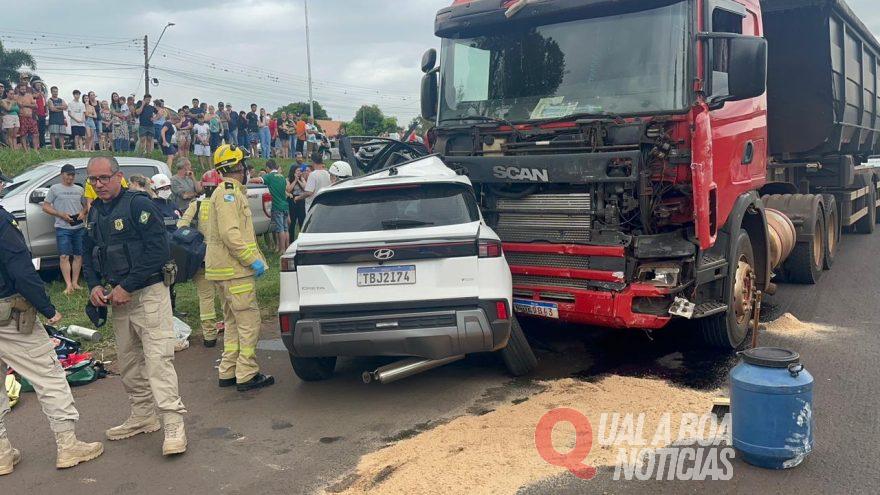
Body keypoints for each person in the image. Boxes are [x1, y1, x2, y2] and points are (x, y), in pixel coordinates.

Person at [0, 168, 104, 474]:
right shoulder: (3, 222)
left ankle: (3, 454)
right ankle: (68, 445)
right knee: (49, 376)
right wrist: (48, 309)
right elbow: (20, 270)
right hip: (9, 314)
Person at [82, 156, 187, 456]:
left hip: (148, 294)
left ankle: (173, 425)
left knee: (158, 361)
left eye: (104, 178)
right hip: (117, 299)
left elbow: (159, 250)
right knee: (128, 362)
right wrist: (93, 288)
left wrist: (127, 286)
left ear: (119, 176)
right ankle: (143, 416)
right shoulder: (95, 212)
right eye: (93, 179)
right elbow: (88, 253)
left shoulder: (139, 204)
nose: (99, 184)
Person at [207, 145, 273, 392]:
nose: (246, 169)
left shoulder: (224, 192)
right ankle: (247, 372)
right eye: (244, 165)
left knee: (233, 322)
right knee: (248, 322)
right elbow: (230, 234)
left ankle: (229, 370)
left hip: (224, 271)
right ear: (237, 168)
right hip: (235, 271)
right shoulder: (229, 194)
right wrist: (250, 260)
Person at [177, 170, 223, 347]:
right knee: (226, 298)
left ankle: (209, 337)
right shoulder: (223, 204)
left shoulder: (196, 204)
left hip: (200, 259)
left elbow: (182, 227)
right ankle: (232, 334)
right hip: (221, 260)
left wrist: (195, 240)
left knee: (205, 299)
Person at [42, 164, 86, 295]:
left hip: (78, 226)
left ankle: (75, 282)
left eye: (73, 175)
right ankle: (68, 285)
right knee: (64, 255)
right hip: (62, 227)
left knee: (78, 255)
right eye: (68, 175)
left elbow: (86, 205)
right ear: (62, 175)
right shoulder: (55, 189)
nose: (71, 177)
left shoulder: (79, 189)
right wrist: (60, 214)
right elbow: (45, 207)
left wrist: (83, 212)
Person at [251, 160, 290, 253]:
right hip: (285, 205)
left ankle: (282, 249)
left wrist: (251, 180)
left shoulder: (269, 176)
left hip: (277, 206)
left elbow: (255, 180)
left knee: (280, 229)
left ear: (268, 168)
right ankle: (287, 247)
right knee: (285, 229)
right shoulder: (282, 177)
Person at [15, 77, 39, 150]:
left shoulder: (29, 95)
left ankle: (35, 150)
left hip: (30, 117)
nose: (23, 90)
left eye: (25, 89)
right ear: (18, 89)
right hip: (21, 117)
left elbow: (36, 106)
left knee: (35, 133)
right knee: (23, 135)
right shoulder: (15, 97)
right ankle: (26, 151)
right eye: (22, 89)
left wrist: (25, 105)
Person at [287, 154, 308, 241]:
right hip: (292, 200)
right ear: (293, 172)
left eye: (300, 171)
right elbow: (288, 190)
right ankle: (291, 240)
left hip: (301, 200)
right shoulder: (288, 179)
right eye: (298, 171)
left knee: (302, 220)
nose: (299, 172)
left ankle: (302, 239)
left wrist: (299, 180)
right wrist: (295, 180)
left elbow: (305, 188)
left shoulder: (302, 178)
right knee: (292, 222)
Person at [32, 79, 48, 149]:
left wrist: (46, 111)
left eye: (40, 85)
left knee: (42, 130)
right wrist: (35, 114)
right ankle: (36, 145)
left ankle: (43, 144)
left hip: (42, 114)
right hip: (36, 114)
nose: (39, 86)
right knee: (36, 131)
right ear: (34, 86)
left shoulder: (43, 94)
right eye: (37, 85)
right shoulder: (33, 94)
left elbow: (45, 104)